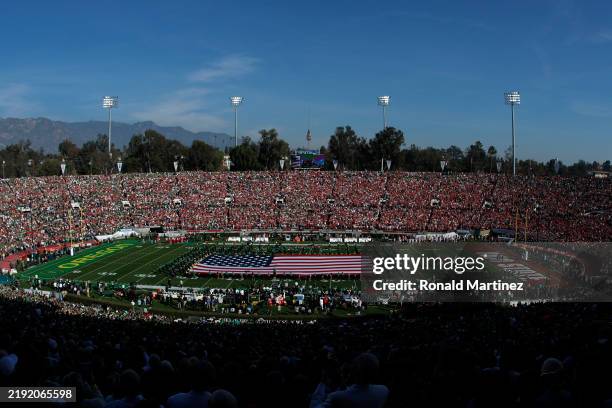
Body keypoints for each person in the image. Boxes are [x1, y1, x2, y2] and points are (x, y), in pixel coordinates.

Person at [311, 353, 389, 408]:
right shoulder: (384, 390)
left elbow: (314, 406)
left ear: (353, 373)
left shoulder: (336, 397)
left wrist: (322, 383)